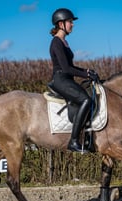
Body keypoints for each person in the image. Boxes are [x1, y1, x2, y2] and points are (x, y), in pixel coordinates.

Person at [49, 8, 99, 153]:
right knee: (86, 101)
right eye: (70, 22)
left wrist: (87, 72)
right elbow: (66, 68)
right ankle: (74, 141)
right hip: (60, 79)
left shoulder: (64, 42)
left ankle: (88, 138)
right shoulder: (56, 42)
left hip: (67, 78)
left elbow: (71, 67)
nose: (72, 24)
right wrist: (86, 74)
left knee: (91, 97)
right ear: (61, 24)